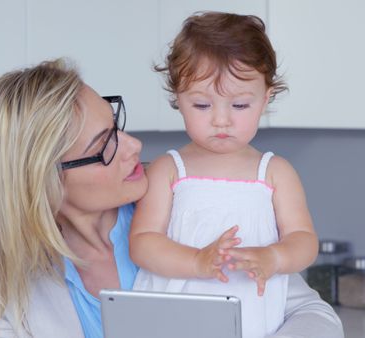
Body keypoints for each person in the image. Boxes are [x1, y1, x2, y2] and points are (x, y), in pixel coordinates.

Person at [0, 59, 344, 338]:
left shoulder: (185, 205)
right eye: (104, 146)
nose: (134, 147)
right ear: (44, 180)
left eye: (117, 127)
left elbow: (314, 315)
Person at [130, 12, 320, 338]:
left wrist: (274, 257)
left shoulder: (275, 173)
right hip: (173, 325)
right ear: (178, 98)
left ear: (266, 98)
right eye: (202, 105)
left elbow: (304, 241)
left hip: (252, 324)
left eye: (240, 106)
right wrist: (197, 262)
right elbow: (143, 244)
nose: (221, 121)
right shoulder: (168, 170)